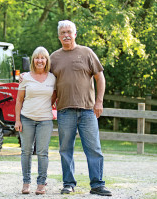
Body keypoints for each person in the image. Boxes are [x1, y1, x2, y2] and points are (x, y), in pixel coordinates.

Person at [50, 20, 112, 196]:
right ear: (59, 36)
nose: (66, 35)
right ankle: (68, 184)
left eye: (69, 31)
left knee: (94, 148)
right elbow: (44, 79)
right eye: (63, 32)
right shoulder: (54, 58)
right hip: (64, 111)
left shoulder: (87, 53)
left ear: (75, 34)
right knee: (65, 149)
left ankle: (97, 184)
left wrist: (99, 102)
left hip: (87, 110)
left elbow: (100, 78)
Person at [15, 46, 57, 195]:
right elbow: (19, 100)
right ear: (33, 60)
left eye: (43, 57)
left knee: (42, 152)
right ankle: (26, 183)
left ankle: (41, 184)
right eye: (37, 58)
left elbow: (55, 96)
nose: (40, 60)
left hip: (45, 120)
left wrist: (49, 106)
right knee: (26, 151)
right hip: (26, 119)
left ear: (47, 60)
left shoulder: (53, 78)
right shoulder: (25, 77)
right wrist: (17, 120)